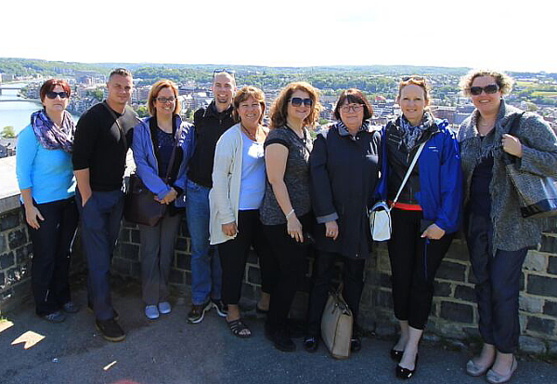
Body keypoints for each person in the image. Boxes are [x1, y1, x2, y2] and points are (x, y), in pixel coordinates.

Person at [458, 69, 557, 384]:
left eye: (489, 88)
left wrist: (522, 152)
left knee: (502, 289)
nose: (483, 95)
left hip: (512, 224)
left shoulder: (525, 123)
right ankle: (488, 347)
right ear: (469, 94)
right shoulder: (466, 128)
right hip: (477, 220)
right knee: (483, 284)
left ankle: (506, 354)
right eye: (476, 90)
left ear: (502, 90)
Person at [376, 76, 462, 379]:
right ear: (398, 101)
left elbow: (453, 183)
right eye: (406, 98)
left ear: (427, 102)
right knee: (400, 278)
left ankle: (413, 346)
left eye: (417, 99)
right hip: (399, 216)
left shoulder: (442, 135)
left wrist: (444, 223)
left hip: (430, 220)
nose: (411, 104)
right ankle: (403, 332)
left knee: (421, 281)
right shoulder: (389, 132)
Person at [304, 89, 380, 353]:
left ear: (365, 109)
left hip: (359, 224)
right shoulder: (326, 138)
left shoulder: (375, 138)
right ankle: (312, 329)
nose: (351, 110)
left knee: (354, 279)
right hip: (331, 223)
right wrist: (328, 218)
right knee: (322, 276)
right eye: (345, 106)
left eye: (356, 105)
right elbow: (318, 178)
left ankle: (350, 330)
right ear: (337, 111)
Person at [72, 68, 139, 342]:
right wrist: (87, 198)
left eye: (127, 87)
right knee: (99, 259)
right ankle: (103, 316)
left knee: (106, 253)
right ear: (107, 87)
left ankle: (94, 299)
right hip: (94, 196)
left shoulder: (131, 116)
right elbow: (79, 161)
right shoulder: (93, 117)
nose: (123, 91)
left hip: (116, 194)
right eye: (118, 86)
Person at [260, 81, 322, 352]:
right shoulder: (279, 137)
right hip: (281, 217)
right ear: (285, 105)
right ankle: (275, 327)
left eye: (307, 102)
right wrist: (291, 216)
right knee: (291, 273)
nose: (302, 106)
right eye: (296, 101)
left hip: (300, 214)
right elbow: (276, 180)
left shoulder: (305, 134)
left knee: (292, 272)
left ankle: (280, 320)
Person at [209, 86, 272, 338]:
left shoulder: (265, 134)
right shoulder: (230, 138)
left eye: (255, 104)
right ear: (237, 110)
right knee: (233, 264)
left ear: (262, 108)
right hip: (237, 212)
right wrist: (226, 217)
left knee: (270, 258)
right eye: (244, 105)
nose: (250, 109)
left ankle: (265, 302)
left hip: (263, 213)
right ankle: (232, 311)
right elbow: (219, 179)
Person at [16, 79, 80, 323]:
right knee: (45, 255)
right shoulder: (31, 133)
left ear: (68, 98)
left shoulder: (71, 128)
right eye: (51, 94)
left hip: (68, 199)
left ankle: (63, 297)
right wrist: (29, 207)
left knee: (64, 252)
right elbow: (22, 172)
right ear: (43, 99)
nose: (57, 98)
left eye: (62, 94)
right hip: (42, 205)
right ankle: (44, 305)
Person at [131, 80, 194, 320]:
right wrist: (161, 191)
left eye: (171, 99)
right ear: (154, 102)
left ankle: (163, 295)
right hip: (151, 198)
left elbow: (190, 163)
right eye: (162, 99)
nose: (167, 103)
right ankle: (150, 298)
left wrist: (176, 189)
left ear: (176, 102)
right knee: (150, 251)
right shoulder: (142, 128)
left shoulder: (188, 130)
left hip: (175, 199)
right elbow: (141, 163)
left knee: (167, 251)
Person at [185, 70, 236, 323]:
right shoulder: (200, 116)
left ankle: (218, 296)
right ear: (212, 88)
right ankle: (199, 298)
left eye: (227, 85)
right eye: (219, 85)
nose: (223, 90)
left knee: (222, 248)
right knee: (200, 248)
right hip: (197, 188)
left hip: (224, 193)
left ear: (233, 88)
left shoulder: (239, 117)